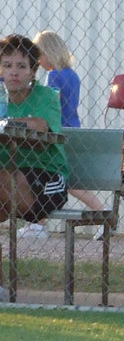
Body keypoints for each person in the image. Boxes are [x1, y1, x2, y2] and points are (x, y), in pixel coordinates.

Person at [0, 35, 69, 300]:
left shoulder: (46, 95)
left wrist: (7, 123)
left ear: (32, 71)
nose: (14, 72)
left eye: (21, 66)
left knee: (6, 176)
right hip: (9, 182)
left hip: (47, 180)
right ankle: (2, 288)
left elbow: (40, 125)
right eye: (7, 65)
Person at [20, 31, 103, 240]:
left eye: (38, 55)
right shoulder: (72, 75)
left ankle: (38, 224)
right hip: (73, 127)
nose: (37, 61)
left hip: (57, 133)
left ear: (48, 52)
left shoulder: (54, 76)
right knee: (63, 179)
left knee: (49, 175)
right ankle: (39, 223)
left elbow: (50, 104)